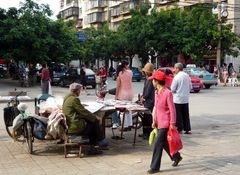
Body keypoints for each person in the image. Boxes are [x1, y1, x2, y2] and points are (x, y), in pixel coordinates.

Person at [147, 70, 182, 174]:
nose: (152, 82)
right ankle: (176, 157)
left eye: (153, 80)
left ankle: (155, 167)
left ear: (156, 81)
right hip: (159, 123)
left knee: (157, 144)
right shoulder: (156, 92)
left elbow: (172, 110)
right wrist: (154, 121)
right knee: (164, 143)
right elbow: (156, 108)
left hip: (166, 123)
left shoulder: (168, 93)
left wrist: (172, 123)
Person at [62, 83, 108, 154]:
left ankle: (98, 142)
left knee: (92, 123)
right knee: (94, 123)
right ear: (77, 91)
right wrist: (96, 117)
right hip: (75, 126)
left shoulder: (67, 98)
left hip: (70, 124)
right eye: (80, 90)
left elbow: (77, 108)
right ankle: (99, 141)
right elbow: (84, 112)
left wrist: (80, 106)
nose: (80, 92)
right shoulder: (74, 100)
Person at [171, 63, 192, 134]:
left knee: (178, 114)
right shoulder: (187, 76)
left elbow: (172, 89)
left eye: (175, 68)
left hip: (177, 98)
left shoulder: (176, 77)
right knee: (186, 114)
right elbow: (190, 87)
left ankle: (179, 129)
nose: (174, 70)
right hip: (185, 98)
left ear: (177, 68)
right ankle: (187, 129)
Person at [113, 60, 134, 130]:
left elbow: (118, 87)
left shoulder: (120, 74)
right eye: (127, 65)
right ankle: (130, 124)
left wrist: (116, 96)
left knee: (123, 111)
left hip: (122, 94)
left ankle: (124, 126)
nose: (128, 66)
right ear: (125, 65)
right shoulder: (130, 72)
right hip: (130, 93)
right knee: (129, 109)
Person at [139, 63, 155, 139]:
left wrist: (143, 98)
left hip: (149, 101)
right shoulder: (149, 78)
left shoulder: (150, 79)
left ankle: (148, 133)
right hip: (149, 101)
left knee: (147, 118)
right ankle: (145, 132)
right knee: (146, 117)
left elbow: (147, 92)